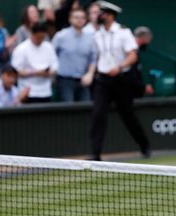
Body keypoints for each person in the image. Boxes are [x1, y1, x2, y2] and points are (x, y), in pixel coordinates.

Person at [89, 1, 150, 160]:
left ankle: (144, 145)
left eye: (101, 13)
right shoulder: (97, 34)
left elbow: (132, 55)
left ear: (109, 15)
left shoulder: (124, 32)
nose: (98, 16)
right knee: (98, 114)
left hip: (121, 79)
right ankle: (96, 154)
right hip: (103, 80)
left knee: (128, 115)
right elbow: (98, 57)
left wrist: (119, 67)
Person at [52, 7, 94, 102]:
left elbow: (93, 59)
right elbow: (51, 56)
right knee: (68, 111)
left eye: (82, 17)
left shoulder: (90, 38)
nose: (79, 20)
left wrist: (90, 74)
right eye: (76, 17)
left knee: (85, 110)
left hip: (83, 80)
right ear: (70, 19)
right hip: (64, 80)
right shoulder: (60, 36)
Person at [11, 21, 56, 103]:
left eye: (42, 37)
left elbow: (55, 66)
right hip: (28, 93)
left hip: (46, 92)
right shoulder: (21, 49)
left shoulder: (49, 47)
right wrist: (36, 72)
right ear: (32, 34)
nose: (40, 40)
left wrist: (48, 72)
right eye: (38, 37)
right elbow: (16, 71)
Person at [132, 25, 153, 96]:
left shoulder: (136, 51)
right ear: (143, 37)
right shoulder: (131, 51)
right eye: (148, 39)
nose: (148, 43)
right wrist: (143, 87)